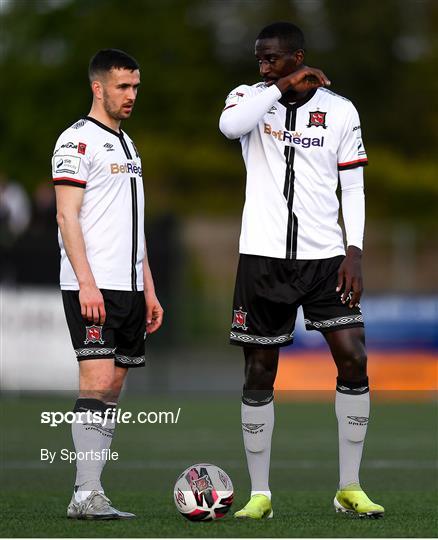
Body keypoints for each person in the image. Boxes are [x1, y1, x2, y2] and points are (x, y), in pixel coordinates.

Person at [219, 22, 384, 519]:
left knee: (353, 358)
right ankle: (261, 494)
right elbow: (230, 128)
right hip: (262, 258)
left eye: (273, 59)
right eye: (259, 59)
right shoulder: (248, 97)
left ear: (298, 56)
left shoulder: (339, 110)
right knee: (259, 371)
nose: (263, 66)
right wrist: (276, 86)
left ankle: (349, 487)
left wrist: (354, 250)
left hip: (325, 259)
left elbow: (352, 186)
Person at [52, 49, 163, 519]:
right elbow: (66, 215)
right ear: (98, 88)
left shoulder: (128, 144)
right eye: (123, 87)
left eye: (135, 87)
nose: (131, 95)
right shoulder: (77, 141)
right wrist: (86, 284)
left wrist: (149, 287)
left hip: (131, 287)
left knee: (113, 387)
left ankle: (94, 491)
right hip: (93, 286)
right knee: (95, 381)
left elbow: (133, 224)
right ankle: (84, 494)